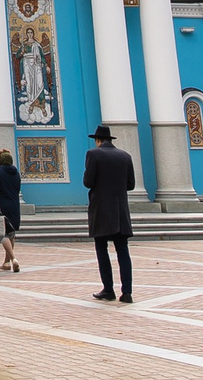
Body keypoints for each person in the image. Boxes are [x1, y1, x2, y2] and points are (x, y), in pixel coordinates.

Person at [82, 124, 137, 302]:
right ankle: (127, 292)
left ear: (98, 140)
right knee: (123, 251)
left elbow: (88, 182)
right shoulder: (125, 156)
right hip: (121, 211)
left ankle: (108, 289)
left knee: (101, 249)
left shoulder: (93, 154)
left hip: (101, 210)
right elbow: (131, 185)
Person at [0, 148, 24, 272]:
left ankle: (13, 259)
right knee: (12, 233)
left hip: (2, 204)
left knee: (3, 233)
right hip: (15, 204)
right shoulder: (16, 173)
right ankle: (6, 262)